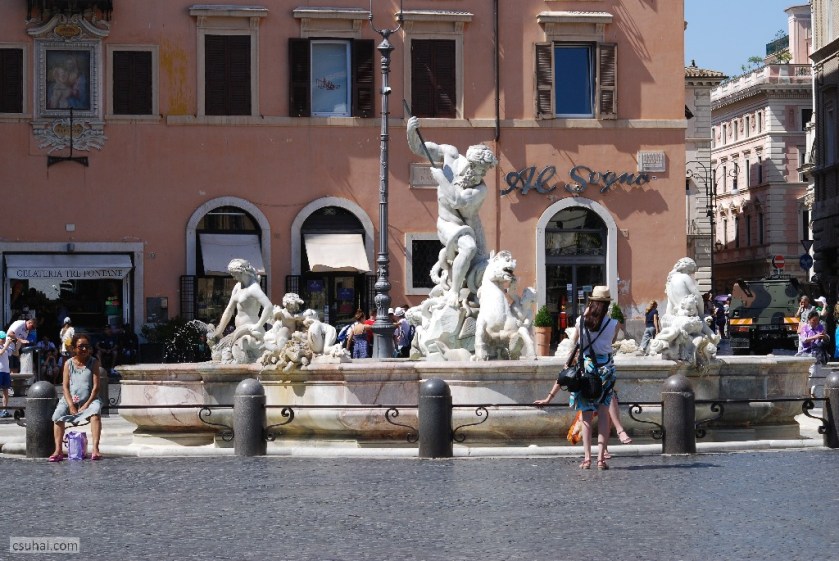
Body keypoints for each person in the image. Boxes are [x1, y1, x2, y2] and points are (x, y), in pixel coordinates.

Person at [407, 116, 498, 307]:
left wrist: (441, 178)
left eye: (485, 171)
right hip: (447, 223)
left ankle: (471, 296)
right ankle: (454, 293)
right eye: (480, 170)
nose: (482, 175)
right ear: (470, 164)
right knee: (468, 248)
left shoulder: (480, 189)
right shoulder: (450, 155)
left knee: (482, 265)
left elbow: (457, 201)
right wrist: (411, 132)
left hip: (471, 227)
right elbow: (421, 149)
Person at [535, 286, 619, 470]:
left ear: (591, 303)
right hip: (605, 371)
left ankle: (587, 459)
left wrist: (586, 314)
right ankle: (601, 459)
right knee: (603, 415)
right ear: (607, 304)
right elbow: (611, 342)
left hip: (586, 370)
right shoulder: (614, 323)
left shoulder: (581, 321)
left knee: (586, 416)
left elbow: (574, 341)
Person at [49, 334, 102, 461]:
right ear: (73, 348)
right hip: (70, 399)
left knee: (95, 413)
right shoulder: (68, 363)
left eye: (86, 346)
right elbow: (65, 387)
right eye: (80, 346)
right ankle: (58, 450)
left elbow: (96, 387)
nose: (84, 349)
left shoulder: (94, 362)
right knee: (57, 415)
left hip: (90, 399)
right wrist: (71, 405)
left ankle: (95, 449)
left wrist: (86, 404)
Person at [213, 259, 273, 351]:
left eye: (234, 274)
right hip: (239, 330)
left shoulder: (253, 288)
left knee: (228, 352)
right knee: (220, 349)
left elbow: (268, 306)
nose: (233, 278)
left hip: (250, 332)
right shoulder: (237, 286)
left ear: (242, 272)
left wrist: (258, 325)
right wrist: (220, 330)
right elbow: (229, 309)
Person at [0, 332, 12, 417]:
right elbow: (0, 353)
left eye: (4, 338)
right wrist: (7, 345)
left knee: (5, 391)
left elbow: (16, 354)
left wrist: (17, 344)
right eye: (2, 338)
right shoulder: (5, 346)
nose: (4, 340)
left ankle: (4, 410)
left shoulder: (5, 347)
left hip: (6, 371)